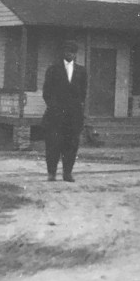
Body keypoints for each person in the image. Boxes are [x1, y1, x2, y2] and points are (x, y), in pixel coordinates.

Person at [41, 39, 87, 182]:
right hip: (55, 115)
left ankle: (67, 173)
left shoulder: (81, 71)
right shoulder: (53, 69)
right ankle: (52, 173)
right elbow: (46, 92)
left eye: (72, 52)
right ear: (63, 52)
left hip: (73, 115)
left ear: (75, 54)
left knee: (71, 144)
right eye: (67, 51)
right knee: (53, 144)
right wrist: (54, 106)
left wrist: (75, 108)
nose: (70, 54)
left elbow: (83, 93)